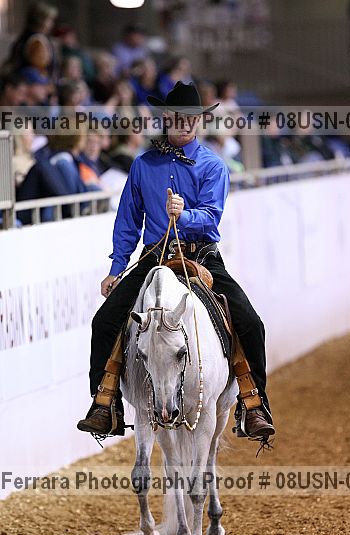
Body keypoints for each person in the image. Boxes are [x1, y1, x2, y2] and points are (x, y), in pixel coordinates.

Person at [77, 81, 275, 442]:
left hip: (201, 256)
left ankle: (254, 402)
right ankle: (105, 402)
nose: (185, 123)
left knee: (250, 321)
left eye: (191, 118)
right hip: (154, 257)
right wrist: (116, 269)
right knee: (104, 321)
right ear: (167, 117)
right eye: (178, 117)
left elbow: (211, 218)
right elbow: (127, 221)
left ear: (199, 121)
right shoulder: (143, 165)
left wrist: (184, 215)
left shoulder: (213, 166)